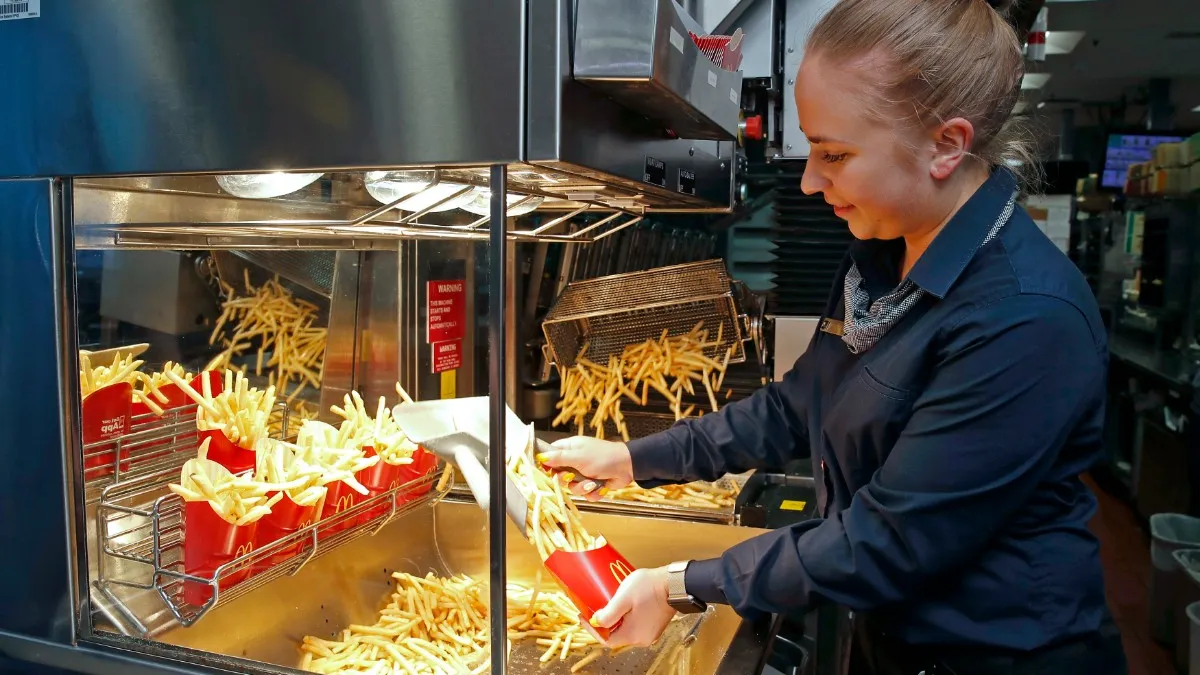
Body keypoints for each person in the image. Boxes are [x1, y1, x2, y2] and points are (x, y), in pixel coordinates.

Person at [537, 0, 1128, 673]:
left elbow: (889, 539)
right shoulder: (880, 257)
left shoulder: (1025, 321)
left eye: (834, 154)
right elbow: (795, 406)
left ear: (946, 145)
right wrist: (632, 459)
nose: (812, 182)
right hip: (888, 634)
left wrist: (680, 585)